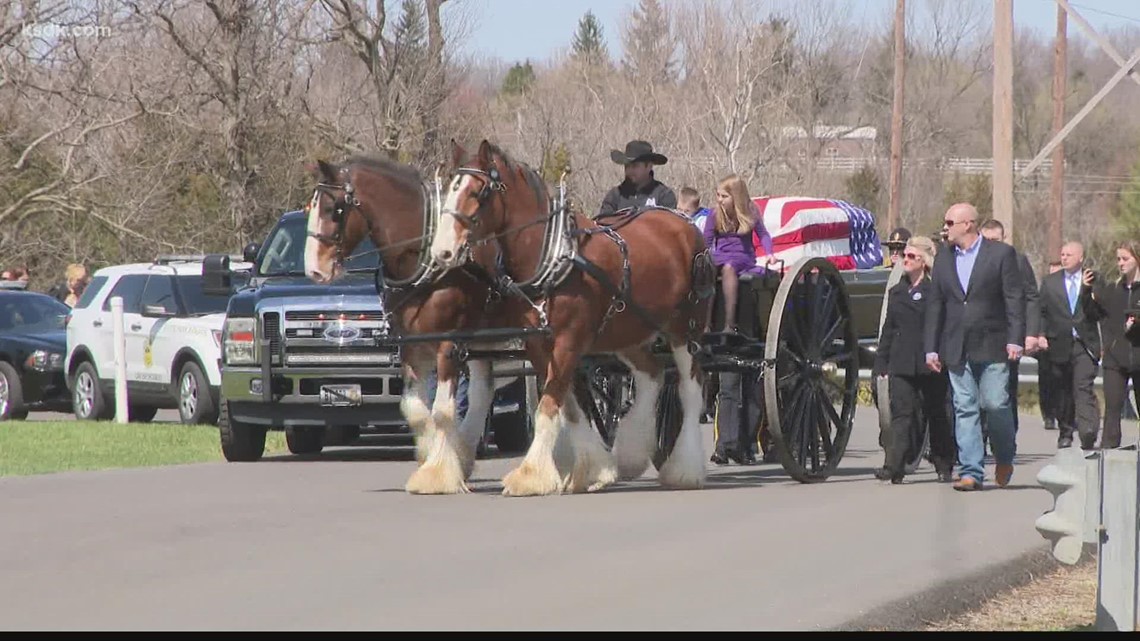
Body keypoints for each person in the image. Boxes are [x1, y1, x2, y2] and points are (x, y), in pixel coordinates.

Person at [924, 203, 1024, 492]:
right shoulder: (944, 258)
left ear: (968, 224)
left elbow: (1014, 298)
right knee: (964, 407)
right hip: (955, 344)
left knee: (995, 403)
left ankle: (1004, 456)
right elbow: (935, 305)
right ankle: (971, 471)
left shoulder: (1001, 254)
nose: (945, 227)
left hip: (993, 342)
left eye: (949, 222)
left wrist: (1016, 337)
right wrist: (931, 348)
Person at [873, 236, 956, 483]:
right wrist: (881, 362)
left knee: (936, 413)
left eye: (911, 257)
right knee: (902, 414)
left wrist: (942, 355)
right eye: (904, 256)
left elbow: (944, 325)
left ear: (924, 261)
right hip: (901, 362)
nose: (904, 260)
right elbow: (889, 329)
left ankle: (944, 463)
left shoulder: (935, 291)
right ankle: (894, 466)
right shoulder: (897, 291)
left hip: (930, 362)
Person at [1034, 242, 1101, 450]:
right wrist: (1041, 334)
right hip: (1059, 342)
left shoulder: (1091, 280)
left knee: (1082, 386)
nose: (1064, 258)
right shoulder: (1050, 282)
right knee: (1062, 390)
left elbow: (1099, 312)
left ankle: (1088, 431)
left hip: (1084, 343)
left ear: (1081, 258)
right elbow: (1041, 311)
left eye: (1069, 255)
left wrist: (1087, 290)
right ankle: (1065, 431)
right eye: (1062, 254)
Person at [979, 219, 1040, 435]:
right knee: (979, 389)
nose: (991, 245)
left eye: (995, 240)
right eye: (986, 240)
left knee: (1005, 387)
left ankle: (1006, 436)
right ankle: (982, 436)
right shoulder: (974, 261)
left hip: (1009, 335)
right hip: (980, 334)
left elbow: (1031, 297)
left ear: (1004, 238)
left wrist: (1031, 333)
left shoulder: (1017, 260)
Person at [1082, 240, 1140, 450]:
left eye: (1125, 259)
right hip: (1115, 358)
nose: (1121, 263)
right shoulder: (1112, 290)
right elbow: (1091, 314)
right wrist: (1086, 291)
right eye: (1118, 259)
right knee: (1113, 410)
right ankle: (1109, 453)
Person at [702, 173, 775, 334]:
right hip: (720, 254)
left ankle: (729, 324)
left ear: (736, 197)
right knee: (707, 269)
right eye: (718, 195)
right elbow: (706, 241)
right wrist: (702, 259)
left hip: (742, 256)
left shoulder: (750, 210)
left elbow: (763, 234)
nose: (720, 199)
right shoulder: (714, 214)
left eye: (724, 196)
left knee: (729, 268)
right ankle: (705, 325)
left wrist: (769, 253)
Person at [596, 140, 677, 218]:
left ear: (649, 166)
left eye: (635, 166)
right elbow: (604, 225)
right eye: (627, 166)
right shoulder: (615, 196)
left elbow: (668, 228)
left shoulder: (664, 195)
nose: (629, 170)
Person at [1038, 260, 1063, 431]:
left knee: (1065, 382)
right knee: (1047, 381)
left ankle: (1065, 415)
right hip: (1047, 341)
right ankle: (1049, 415)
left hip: (1065, 340)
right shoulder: (1045, 288)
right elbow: (1040, 312)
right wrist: (1040, 335)